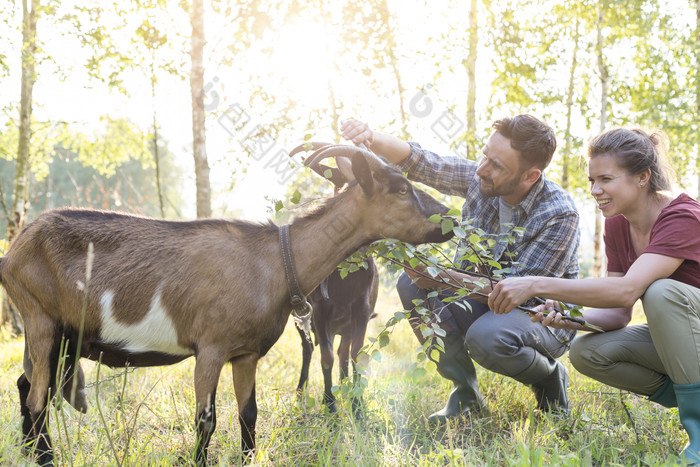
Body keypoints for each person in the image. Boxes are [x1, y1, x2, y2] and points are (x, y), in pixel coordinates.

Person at [341, 115, 581, 422]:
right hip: (483, 302)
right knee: (410, 284)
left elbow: (517, 293)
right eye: (484, 155)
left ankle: (549, 378)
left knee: (487, 337)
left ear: (530, 176)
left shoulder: (558, 214)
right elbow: (423, 162)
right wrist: (370, 136)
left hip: (542, 318)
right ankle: (465, 393)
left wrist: (441, 277)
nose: (482, 169)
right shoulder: (481, 178)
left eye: (497, 166)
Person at [488, 127, 700, 464]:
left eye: (605, 179)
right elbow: (619, 312)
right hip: (686, 345)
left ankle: (698, 434)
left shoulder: (683, 216)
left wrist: (534, 283)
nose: (595, 190)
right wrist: (572, 317)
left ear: (642, 177)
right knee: (586, 350)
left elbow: (629, 288)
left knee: (661, 293)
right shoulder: (618, 223)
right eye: (591, 180)